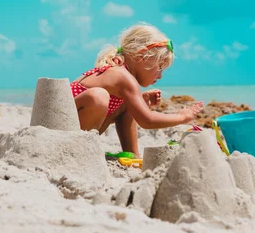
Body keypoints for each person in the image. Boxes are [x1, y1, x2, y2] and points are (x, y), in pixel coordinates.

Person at [71, 23, 204, 157]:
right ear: (141, 57)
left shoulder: (123, 77)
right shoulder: (122, 76)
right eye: (159, 67)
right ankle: (80, 152)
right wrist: (182, 117)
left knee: (129, 105)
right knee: (98, 96)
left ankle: (133, 155)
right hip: (63, 131)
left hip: (76, 129)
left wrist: (139, 99)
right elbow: (147, 120)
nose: (160, 75)